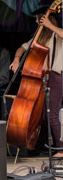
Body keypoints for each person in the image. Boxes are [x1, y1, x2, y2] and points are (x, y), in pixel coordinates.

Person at [9, 12, 63, 155]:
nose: (36, 21)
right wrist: (16, 59)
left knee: (52, 114)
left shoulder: (55, 35)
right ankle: (47, 146)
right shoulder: (39, 36)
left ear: (45, 20)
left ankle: (61, 148)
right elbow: (21, 48)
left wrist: (49, 25)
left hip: (55, 76)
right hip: (42, 77)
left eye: (38, 19)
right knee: (44, 115)